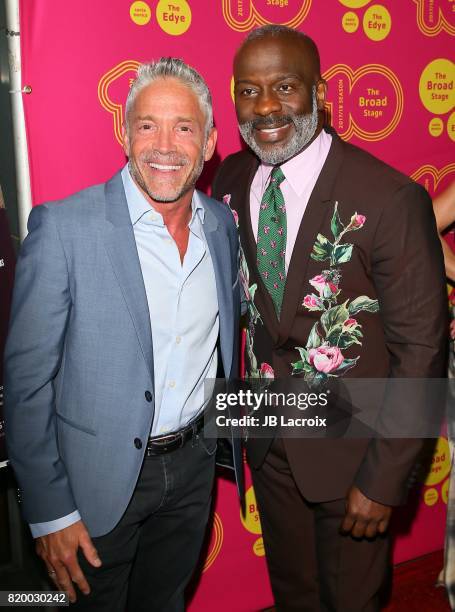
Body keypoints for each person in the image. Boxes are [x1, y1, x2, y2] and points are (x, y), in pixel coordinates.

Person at [212, 25, 447, 611]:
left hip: (355, 454)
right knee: (294, 597)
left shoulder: (390, 198)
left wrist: (384, 480)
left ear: (320, 92)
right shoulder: (231, 181)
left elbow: (423, 350)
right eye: (248, 90)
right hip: (267, 435)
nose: (265, 106)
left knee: (351, 602)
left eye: (285, 86)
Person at [4, 58, 241, 611]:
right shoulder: (63, 228)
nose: (164, 145)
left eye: (184, 127)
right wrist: (50, 510)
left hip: (191, 470)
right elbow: (26, 383)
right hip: (94, 483)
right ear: (124, 134)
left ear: (208, 143)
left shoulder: (222, 227)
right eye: (147, 125)